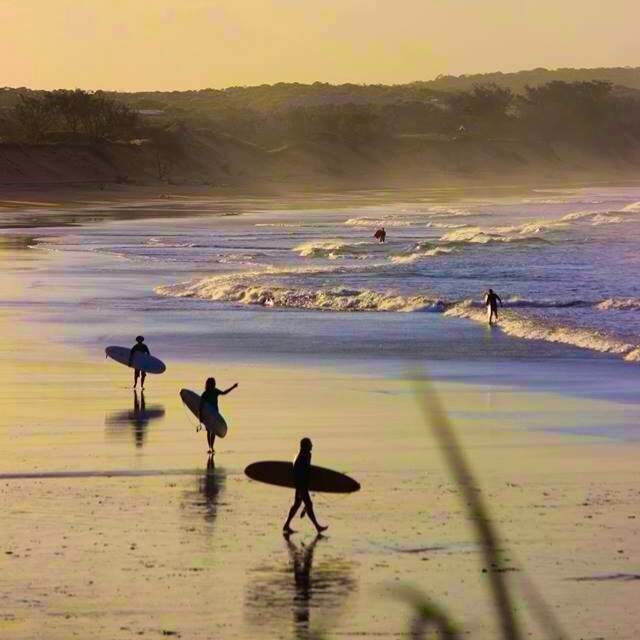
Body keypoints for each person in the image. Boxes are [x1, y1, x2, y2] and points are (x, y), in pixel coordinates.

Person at [283, 438, 328, 535]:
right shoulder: (303, 456)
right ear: (305, 446)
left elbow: (305, 472)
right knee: (308, 505)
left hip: (301, 485)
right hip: (301, 485)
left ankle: (286, 525)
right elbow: (300, 473)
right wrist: (301, 490)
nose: (312, 445)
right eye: (310, 444)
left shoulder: (303, 454)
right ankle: (317, 527)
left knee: (297, 505)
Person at [199, 377, 238, 454]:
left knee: (210, 431)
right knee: (211, 431)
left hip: (210, 414)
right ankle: (211, 447)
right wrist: (233, 387)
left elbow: (200, 406)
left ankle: (210, 447)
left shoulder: (208, 392)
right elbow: (201, 405)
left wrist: (200, 416)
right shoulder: (208, 393)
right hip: (213, 414)